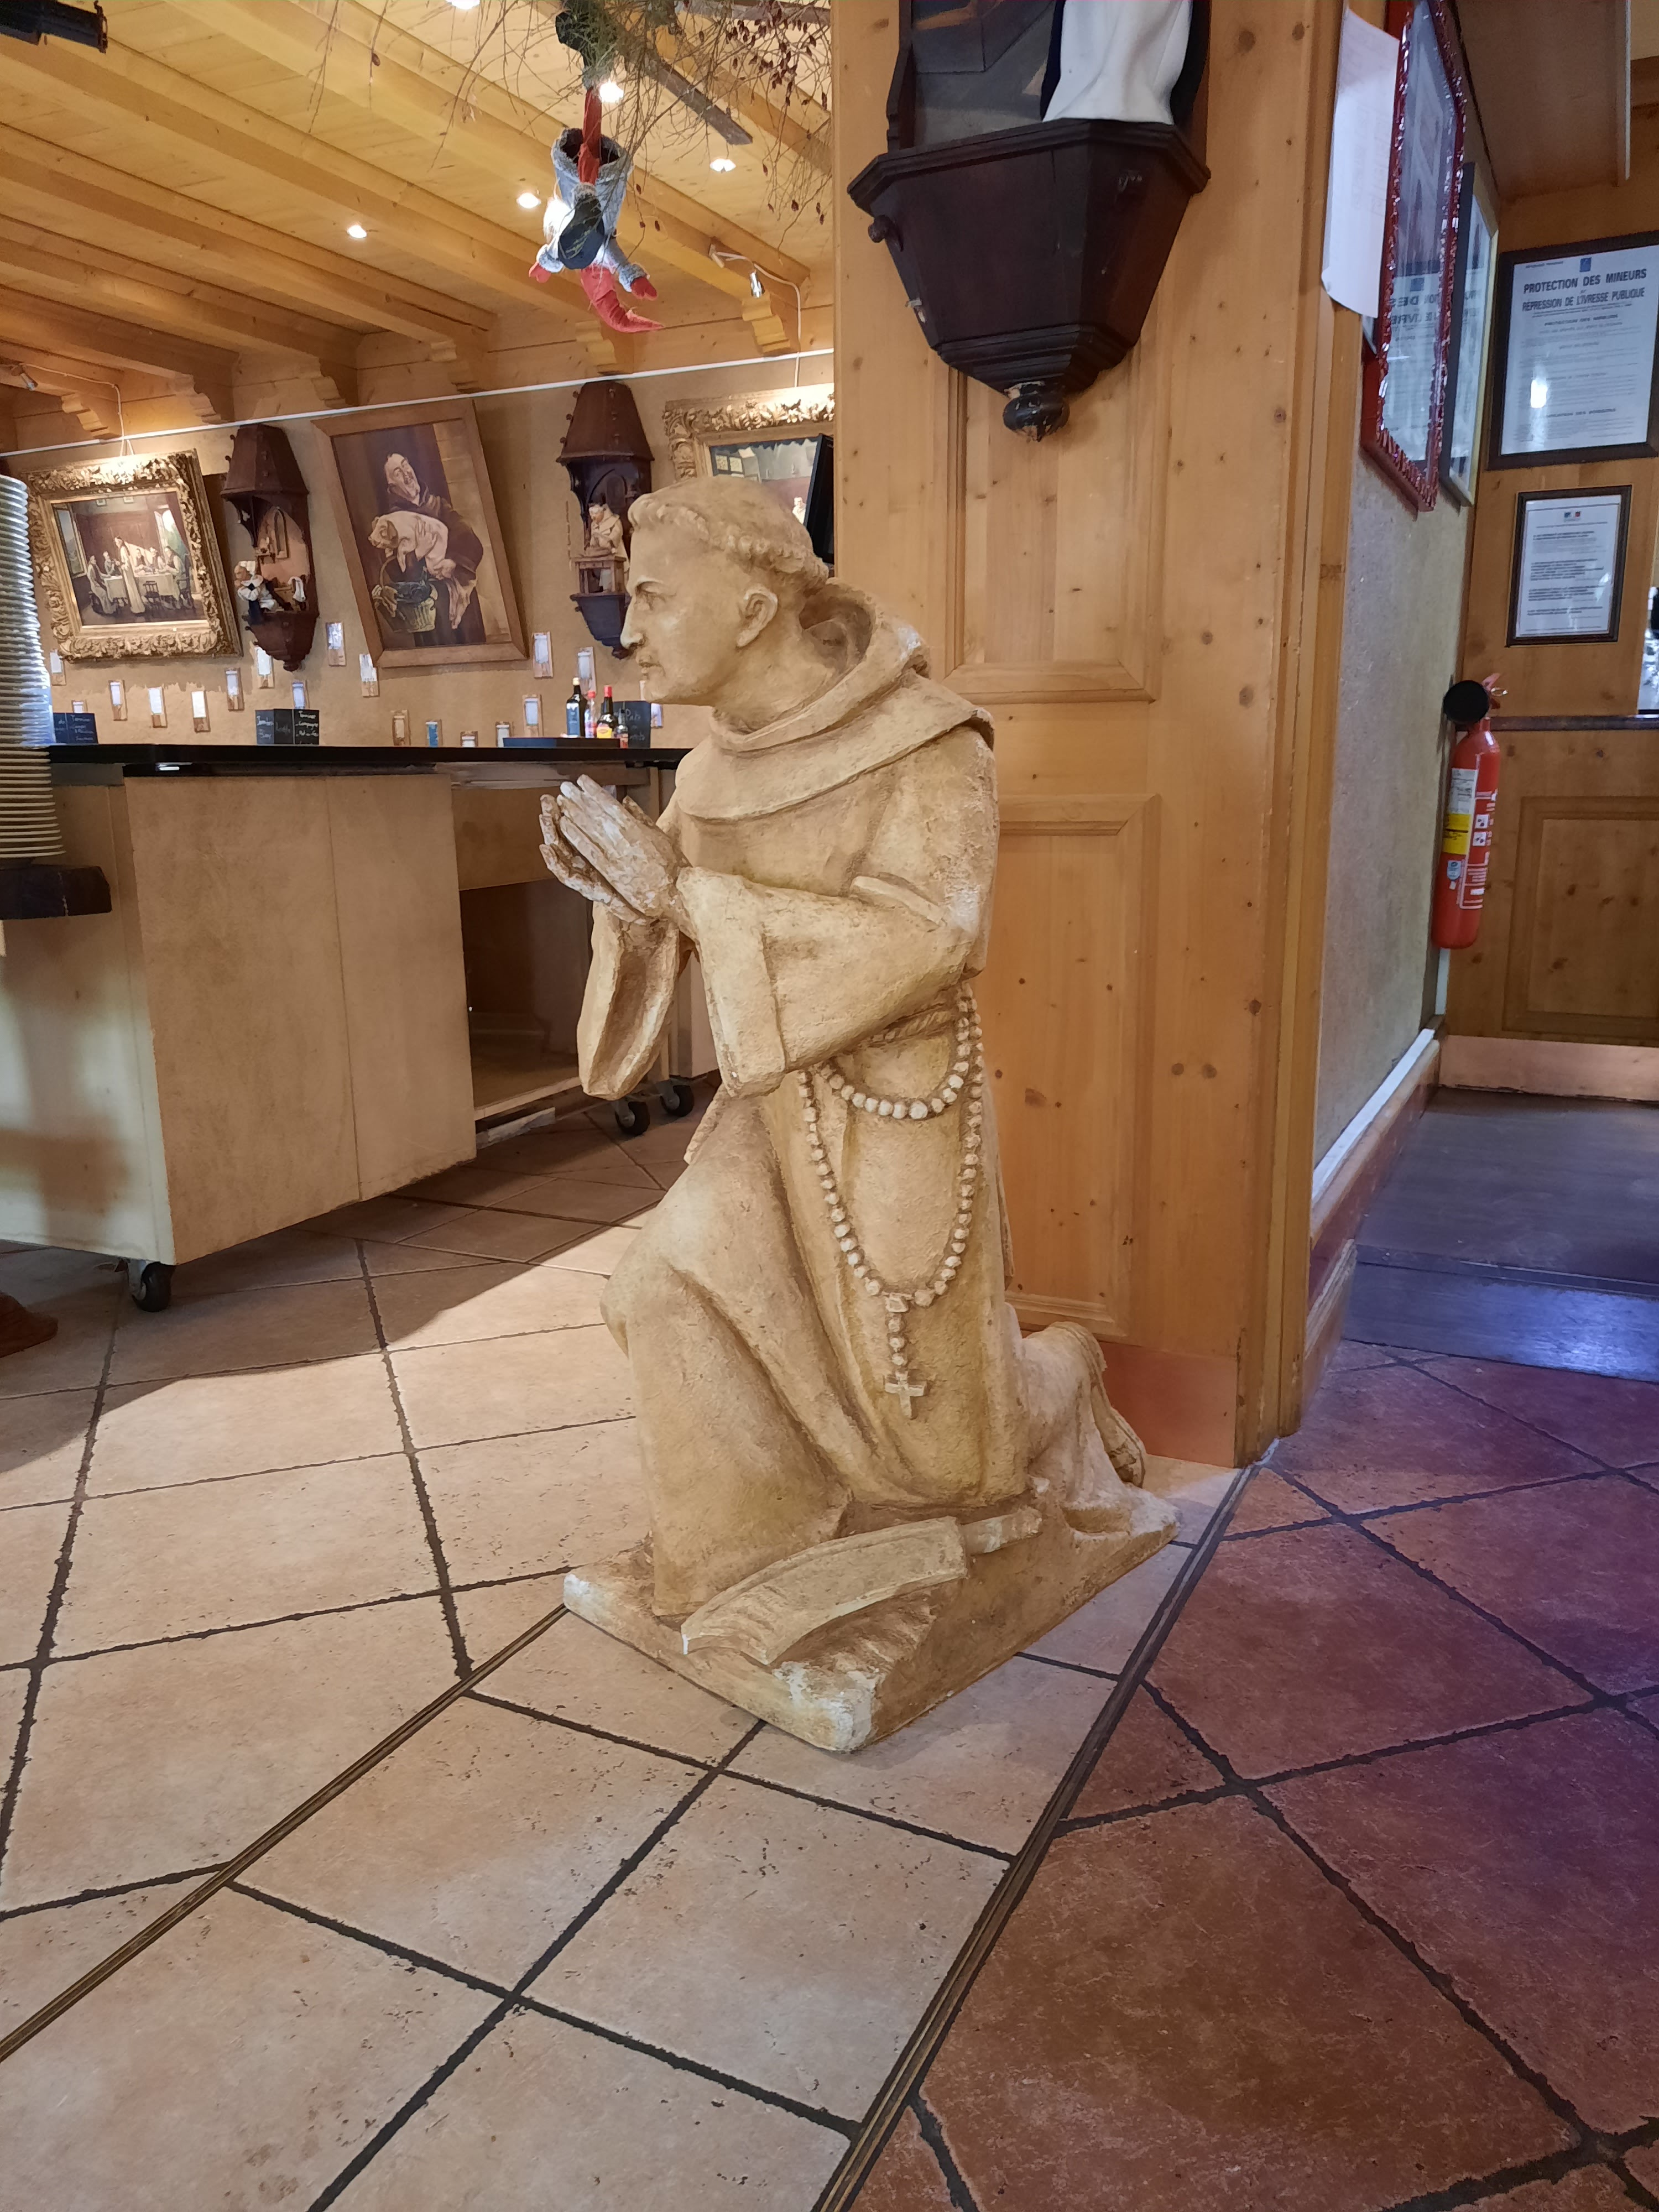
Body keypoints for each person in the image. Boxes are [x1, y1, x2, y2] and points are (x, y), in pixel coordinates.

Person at [540, 476, 1146, 1623]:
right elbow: (671, 920)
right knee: (660, 1287)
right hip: (769, 1116)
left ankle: (1062, 1375)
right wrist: (624, 897)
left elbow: (934, 935)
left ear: (754, 609)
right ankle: (745, 1556)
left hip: (897, 1110)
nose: (630, 630)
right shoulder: (707, 773)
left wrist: (681, 895)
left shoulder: (929, 740)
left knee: (947, 1458)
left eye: (655, 596)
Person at [375, 450, 485, 642]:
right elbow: (394, 574)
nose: (407, 474)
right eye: (398, 472)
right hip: (430, 614)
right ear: (392, 487)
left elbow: (470, 540)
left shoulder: (438, 506)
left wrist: (454, 562)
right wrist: (418, 553)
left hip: (461, 606)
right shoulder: (392, 524)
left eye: (406, 466)